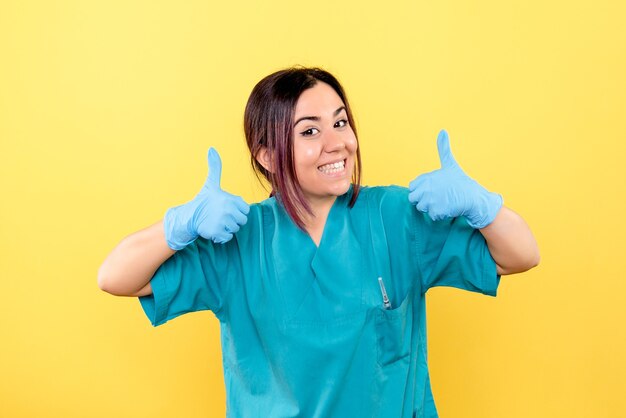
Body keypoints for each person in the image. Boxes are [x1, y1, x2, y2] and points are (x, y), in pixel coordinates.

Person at [98, 67, 540, 417]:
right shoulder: (238, 240)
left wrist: (484, 206)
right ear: (267, 155)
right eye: (310, 131)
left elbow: (522, 255)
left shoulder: (396, 217)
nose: (337, 144)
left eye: (341, 123)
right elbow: (115, 277)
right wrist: (179, 225)